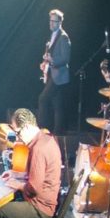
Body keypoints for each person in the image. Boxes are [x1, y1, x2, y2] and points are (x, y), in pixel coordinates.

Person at [38, 7, 73, 138]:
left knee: (42, 99)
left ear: (60, 23)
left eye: (54, 21)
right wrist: (45, 63)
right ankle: (58, 133)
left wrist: (52, 61)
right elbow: (49, 55)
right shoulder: (53, 36)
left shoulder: (63, 37)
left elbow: (65, 58)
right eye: (50, 21)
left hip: (59, 76)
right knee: (57, 104)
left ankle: (41, 128)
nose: (51, 23)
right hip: (52, 74)